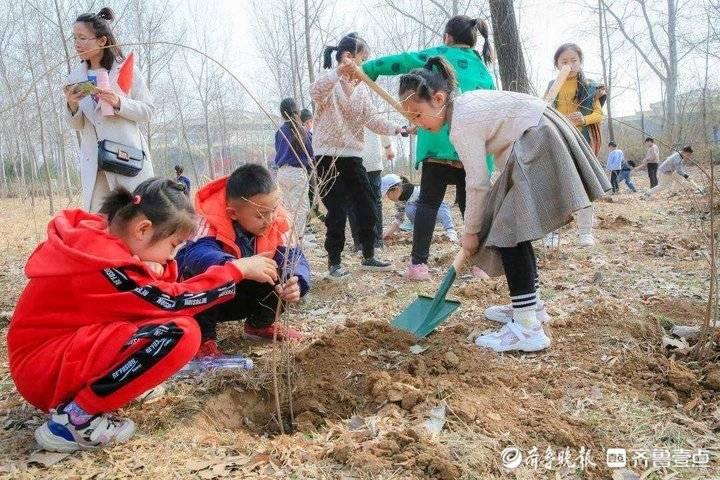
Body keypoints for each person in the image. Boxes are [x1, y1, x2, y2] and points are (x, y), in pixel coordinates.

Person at [8, 178, 280, 452]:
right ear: (142, 229)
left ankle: (113, 389)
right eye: (173, 245)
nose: (172, 257)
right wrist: (236, 270)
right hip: (43, 370)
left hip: (56, 353)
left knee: (160, 321)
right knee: (180, 333)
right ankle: (73, 421)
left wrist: (152, 268)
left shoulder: (101, 241)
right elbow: (173, 300)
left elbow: (150, 294)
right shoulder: (104, 267)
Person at [397, 57, 609, 352]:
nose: (416, 124)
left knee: (509, 229)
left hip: (539, 139)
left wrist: (470, 232)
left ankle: (527, 329)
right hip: (539, 134)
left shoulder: (461, 122)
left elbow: (478, 182)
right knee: (512, 227)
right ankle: (530, 307)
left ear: (439, 99)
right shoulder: (465, 105)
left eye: (418, 115)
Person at [362, 15, 495, 281]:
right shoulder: (482, 68)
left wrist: (368, 68)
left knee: (428, 203)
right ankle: (482, 265)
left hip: (438, 147)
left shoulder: (437, 56)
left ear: (447, 37)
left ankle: (418, 265)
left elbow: (401, 60)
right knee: (473, 205)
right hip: (474, 149)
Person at [176, 164, 309, 353]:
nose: (270, 219)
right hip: (213, 300)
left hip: (246, 294)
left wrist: (297, 280)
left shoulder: (279, 220)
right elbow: (196, 255)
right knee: (195, 273)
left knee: (281, 273)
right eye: (260, 215)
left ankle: (259, 325)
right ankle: (204, 338)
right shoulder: (207, 219)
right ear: (233, 213)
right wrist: (236, 266)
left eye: (273, 210)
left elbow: (294, 257)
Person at [310, 32, 407, 279]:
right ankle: (334, 262)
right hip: (327, 156)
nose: (364, 67)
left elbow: (371, 118)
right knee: (337, 210)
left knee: (367, 204)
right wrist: (339, 71)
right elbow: (315, 92)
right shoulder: (329, 83)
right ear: (348, 57)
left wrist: (399, 128)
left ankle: (368, 254)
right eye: (362, 60)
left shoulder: (362, 89)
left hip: (353, 156)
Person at [64, 7, 155, 212]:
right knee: (99, 223)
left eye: (83, 37)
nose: (77, 43)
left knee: (135, 216)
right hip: (96, 165)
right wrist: (72, 106)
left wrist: (119, 103)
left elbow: (148, 110)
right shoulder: (75, 78)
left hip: (127, 159)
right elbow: (77, 125)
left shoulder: (126, 70)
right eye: (75, 38)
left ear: (102, 41)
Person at [544, 43, 606, 247]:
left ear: (580, 62)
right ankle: (552, 233)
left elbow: (599, 114)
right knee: (554, 187)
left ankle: (585, 232)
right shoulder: (553, 85)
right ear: (557, 64)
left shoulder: (590, 86)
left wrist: (583, 119)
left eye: (573, 60)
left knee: (584, 186)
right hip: (558, 140)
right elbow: (544, 111)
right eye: (564, 61)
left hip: (583, 142)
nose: (569, 64)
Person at [274, 98, 313, 243]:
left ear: (282, 113)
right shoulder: (301, 130)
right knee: (300, 208)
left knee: (287, 208)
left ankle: (288, 238)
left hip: (282, 173)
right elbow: (311, 152)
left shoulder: (279, 132)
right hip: (297, 172)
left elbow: (278, 151)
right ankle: (298, 239)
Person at [348, 129, 394, 251]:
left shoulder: (342, 109)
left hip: (352, 158)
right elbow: (379, 124)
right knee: (375, 201)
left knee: (354, 203)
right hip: (372, 160)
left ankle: (359, 242)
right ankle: (377, 241)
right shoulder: (371, 109)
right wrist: (388, 146)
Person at [381, 174, 458, 242]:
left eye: (387, 194)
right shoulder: (399, 201)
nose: (387, 197)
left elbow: (438, 201)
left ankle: (450, 230)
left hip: (435, 209)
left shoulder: (417, 191)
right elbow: (399, 218)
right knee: (409, 210)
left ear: (396, 189)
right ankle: (420, 233)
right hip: (424, 216)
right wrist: (389, 232)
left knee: (439, 205)